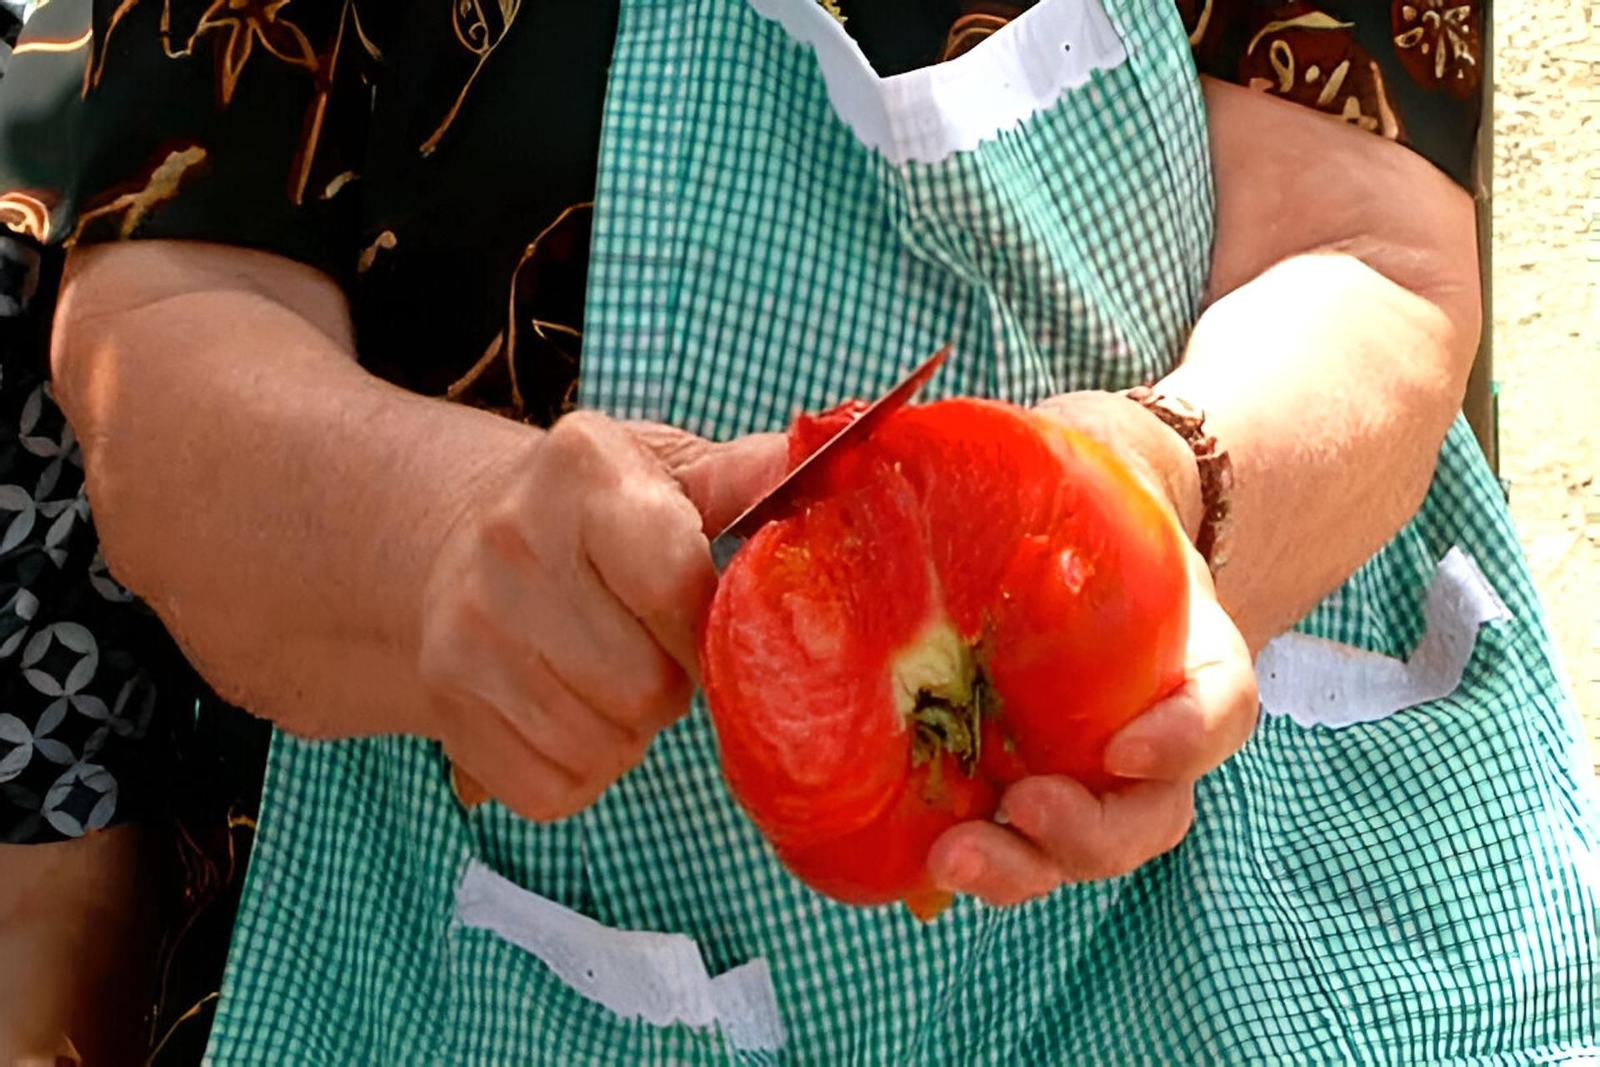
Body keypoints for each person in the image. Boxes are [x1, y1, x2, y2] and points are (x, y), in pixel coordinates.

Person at [2, 0, 1595, 1062]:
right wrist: (436, 539)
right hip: (484, 948)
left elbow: (1371, 254)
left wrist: (1159, 487)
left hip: (1242, 900)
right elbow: (168, 324)